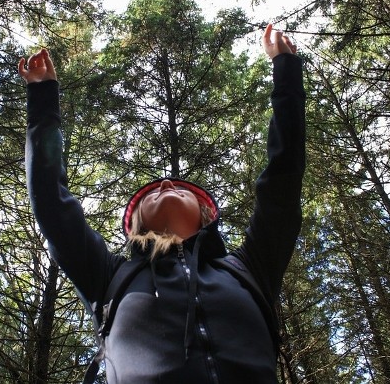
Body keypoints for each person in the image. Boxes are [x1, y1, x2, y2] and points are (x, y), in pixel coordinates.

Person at [19, 23, 306, 384]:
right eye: (151, 191)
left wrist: (287, 74)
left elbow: (284, 177)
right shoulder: (109, 277)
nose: (167, 183)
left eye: (181, 187)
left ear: (206, 216)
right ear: (136, 222)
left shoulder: (250, 268)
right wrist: (43, 98)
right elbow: (51, 203)